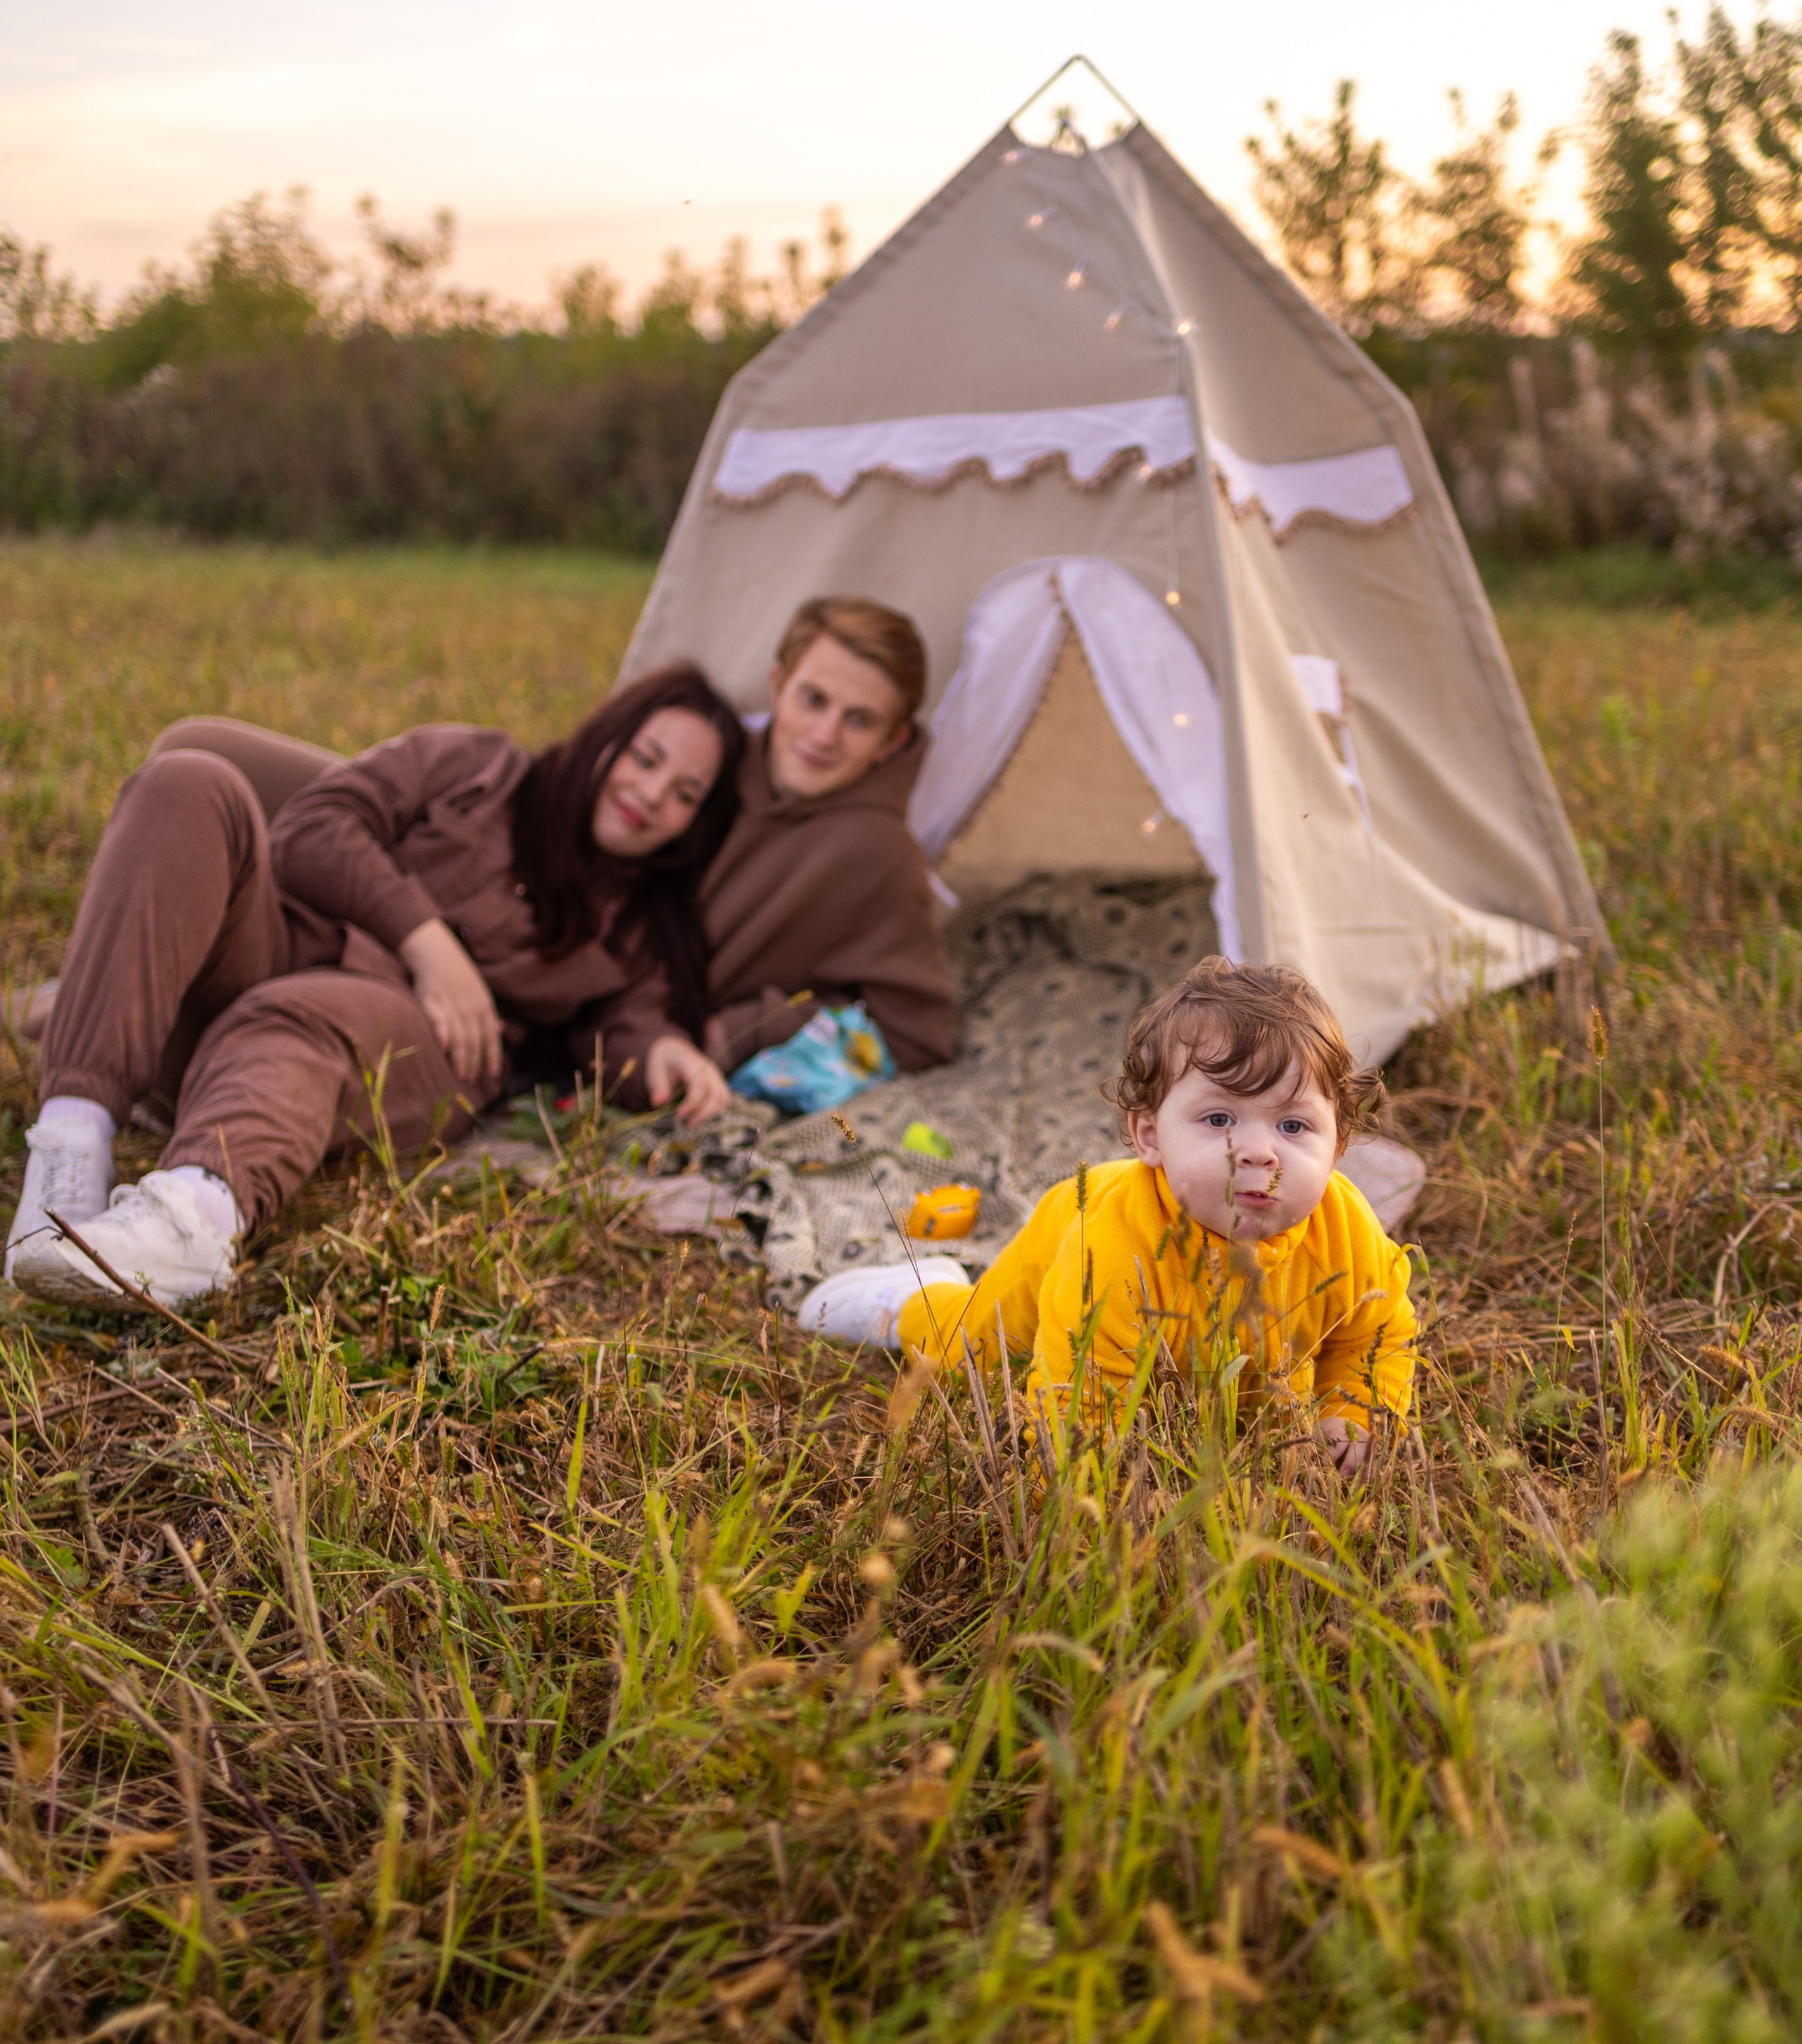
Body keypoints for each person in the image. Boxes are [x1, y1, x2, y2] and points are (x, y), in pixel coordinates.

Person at [4, 668, 743, 1314]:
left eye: (683, 794)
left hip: (421, 1049)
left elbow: (626, 1025)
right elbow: (313, 827)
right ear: (606, 738)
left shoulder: (640, 924)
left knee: (307, 1016)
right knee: (188, 780)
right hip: (282, 949)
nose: (650, 794)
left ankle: (193, 1221)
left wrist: (666, 1051)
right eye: (644, 759)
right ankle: (71, 1144)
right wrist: (428, 940)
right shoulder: (477, 765)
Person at [798, 958, 1417, 1472]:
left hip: (1210, 1356)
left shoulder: (1348, 1232)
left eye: (1293, 1124)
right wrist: (1095, 1518)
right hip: (1061, 1249)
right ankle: (911, 1300)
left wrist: (1357, 1407)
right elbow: (1075, 1409)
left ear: (1337, 1145)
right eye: (1220, 1119)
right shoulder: (1112, 1249)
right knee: (973, 1353)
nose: (1260, 1150)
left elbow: (1375, 1332)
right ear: (1149, 1136)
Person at [700, 595, 957, 1074]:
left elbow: (917, 1035)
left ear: (893, 741)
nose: (823, 736)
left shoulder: (876, 850)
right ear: (777, 686)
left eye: (859, 720)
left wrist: (755, 1027)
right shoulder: (703, 764)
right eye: (813, 700)